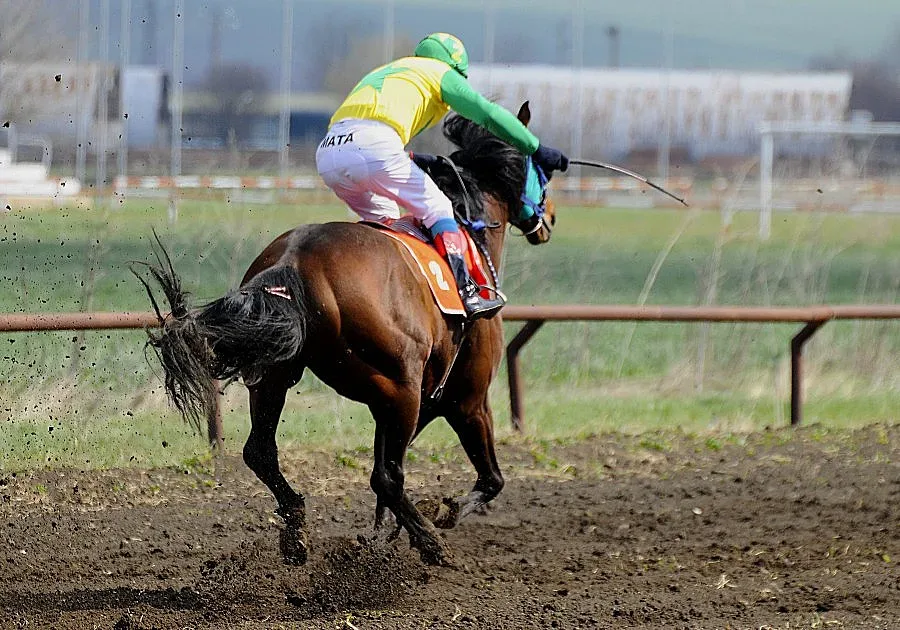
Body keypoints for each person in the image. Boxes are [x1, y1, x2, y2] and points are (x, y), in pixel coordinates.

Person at [316, 32, 569, 320]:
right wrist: (535, 148)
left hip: (329, 152)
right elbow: (486, 113)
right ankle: (468, 291)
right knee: (437, 208)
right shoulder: (440, 73)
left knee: (386, 223)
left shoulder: (393, 70)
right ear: (455, 68)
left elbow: (371, 128)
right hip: (372, 147)